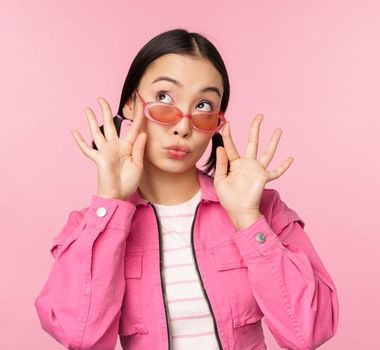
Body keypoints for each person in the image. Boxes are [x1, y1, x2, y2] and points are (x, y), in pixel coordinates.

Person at [35, 28, 339, 350]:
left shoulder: (261, 209)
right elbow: (79, 337)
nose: (183, 126)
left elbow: (309, 332)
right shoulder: (93, 225)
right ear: (129, 106)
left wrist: (248, 220)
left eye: (204, 106)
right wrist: (110, 203)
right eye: (164, 98)